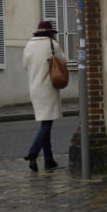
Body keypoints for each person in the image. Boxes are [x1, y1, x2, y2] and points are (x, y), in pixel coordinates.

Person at [22, 19, 66, 171]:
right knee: (47, 124)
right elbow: (63, 61)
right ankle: (33, 152)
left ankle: (49, 159)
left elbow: (25, 66)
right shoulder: (53, 44)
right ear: (50, 32)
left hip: (35, 88)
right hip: (49, 88)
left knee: (44, 121)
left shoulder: (29, 45)